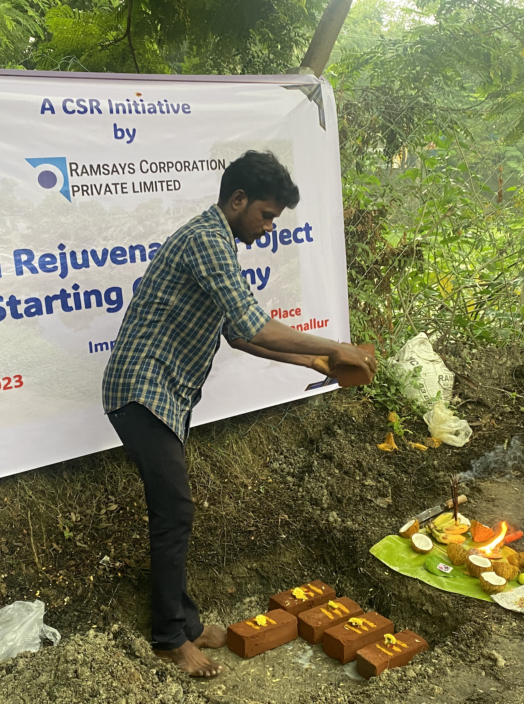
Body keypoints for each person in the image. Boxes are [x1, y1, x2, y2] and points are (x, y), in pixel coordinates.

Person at [102, 150, 377, 677]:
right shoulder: (208, 240)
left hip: (158, 393)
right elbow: (254, 325)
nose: (268, 227)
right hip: (140, 389)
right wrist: (338, 348)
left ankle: (181, 623)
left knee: (174, 510)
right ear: (238, 200)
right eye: (266, 216)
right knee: (174, 511)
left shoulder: (217, 240)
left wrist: (317, 359)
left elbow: (238, 334)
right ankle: (167, 638)